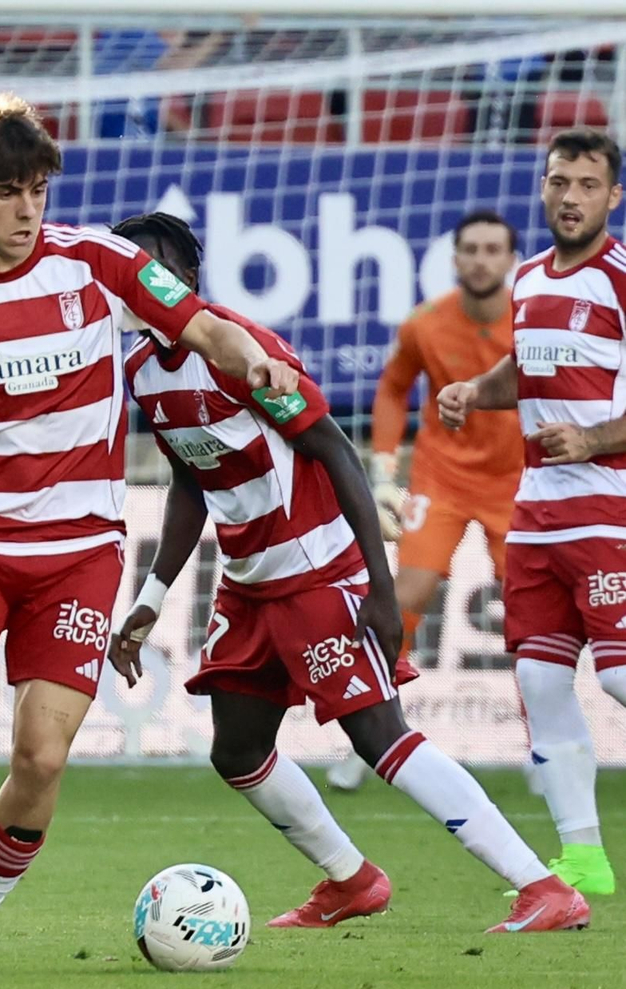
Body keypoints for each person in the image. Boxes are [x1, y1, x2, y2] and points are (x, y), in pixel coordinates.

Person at [0, 93, 299, 970]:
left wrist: (253, 358)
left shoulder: (97, 263)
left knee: (41, 756)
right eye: (7, 192)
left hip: (79, 555)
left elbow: (205, 325)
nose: (26, 210)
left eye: (38, 191)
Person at [108, 211, 589, 934]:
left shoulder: (242, 351)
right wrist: (151, 597)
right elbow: (189, 482)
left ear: (188, 278)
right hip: (248, 582)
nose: (142, 285)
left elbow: (335, 450)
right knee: (237, 749)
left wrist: (381, 587)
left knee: (379, 737)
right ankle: (352, 880)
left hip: (319, 571)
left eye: (154, 270)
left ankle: (543, 886)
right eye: (129, 273)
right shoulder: (142, 371)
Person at [438, 127, 626, 898]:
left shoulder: (620, 279)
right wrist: (473, 391)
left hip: (608, 510)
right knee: (541, 680)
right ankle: (583, 856)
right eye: (559, 182)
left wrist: (594, 437)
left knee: (620, 676)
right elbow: (525, 368)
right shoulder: (527, 278)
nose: (570, 197)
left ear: (614, 196)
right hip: (537, 515)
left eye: (587, 184)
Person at [329, 211, 523, 792]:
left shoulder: (531, 322)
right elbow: (393, 389)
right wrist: (384, 466)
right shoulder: (425, 324)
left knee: (528, 614)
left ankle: (543, 746)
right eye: (471, 249)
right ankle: (375, 735)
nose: (482, 260)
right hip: (443, 478)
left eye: (493, 249)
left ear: (512, 260)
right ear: (455, 258)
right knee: (405, 595)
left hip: (516, 480)